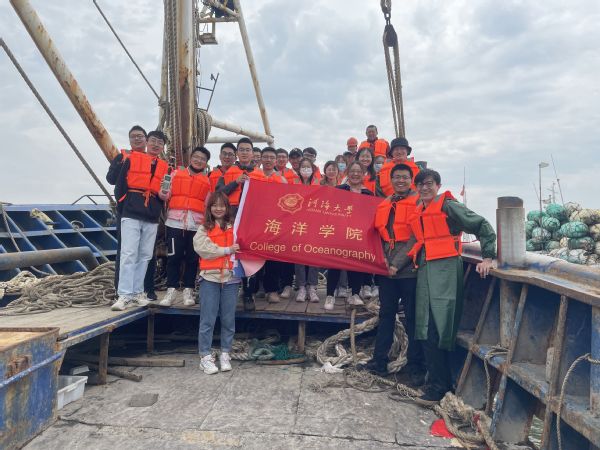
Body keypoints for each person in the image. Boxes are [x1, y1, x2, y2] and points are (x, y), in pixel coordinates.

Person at [408, 168, 496, 402]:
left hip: (445, 269)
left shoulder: (448, 206)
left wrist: (487, 257)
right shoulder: (420, 209)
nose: (424, 188)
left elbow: (482, 225)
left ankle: (440, 386)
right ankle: (436, 382)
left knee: (439, 326)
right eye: (420, 184)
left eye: (429, 183)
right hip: (426, 270)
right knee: (425, 327)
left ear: (437, 185)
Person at [359, 163, 425, 382]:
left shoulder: (418, 202)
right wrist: (383, 260)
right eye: (397, 177)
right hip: (386, 270)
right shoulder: (385, 203)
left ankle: (415, 366)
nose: (400, 181)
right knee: (386, 314)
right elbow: (378, 235)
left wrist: (396, 263)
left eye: (405, 177)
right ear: (391, 180)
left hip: (409, 271)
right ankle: (379, 361)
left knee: (412, 318)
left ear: (411, 180)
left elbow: (416, 238)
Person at [111, 130, 169, 311]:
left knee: (145, 255)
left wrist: (163, 197)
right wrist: (123, 205)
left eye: (160, 142)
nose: (156, 144)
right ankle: (124, 294)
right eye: (153, 141)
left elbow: (164, 192)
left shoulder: (165, 167)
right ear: (147, 142)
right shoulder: (131, 158)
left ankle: (137, 292)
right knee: (128, 253)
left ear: (163, 147)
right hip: (131, 211)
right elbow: (119, 185)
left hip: (152, 215)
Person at [215, 137, 266, 311]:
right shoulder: (227, 173)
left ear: (252, 153)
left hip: (251, 219)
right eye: (242, 149)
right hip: (231, 217)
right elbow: (218, 195)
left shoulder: (260, 175)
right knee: (229, 253)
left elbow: (267, 199)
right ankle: (226, 290)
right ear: (237, 153)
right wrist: (235, 182)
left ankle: (248, 293)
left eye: (247, 150)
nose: (244, 153)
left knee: (249, 255)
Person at [193, 192, 241, 374]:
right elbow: (203, 249)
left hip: (231, 278)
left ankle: (225, 353)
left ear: (227, 207)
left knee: (228, 319)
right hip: (210, 278)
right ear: (209, 208)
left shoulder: (235, 227)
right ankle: (205, 356)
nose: (218, 208)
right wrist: (227, 250)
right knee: (208, 319)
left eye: (222, 205)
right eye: (215, 205)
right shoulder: (203, 228)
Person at [159, 146, 211, 307]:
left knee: (192, 259)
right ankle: (171, 290)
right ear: (191, 158)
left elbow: (208, 205)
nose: (198, 160)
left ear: (206, 163)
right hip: (174, 222)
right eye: (196, 157)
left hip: (196, 225)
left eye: (203, 159)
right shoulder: (175, 174)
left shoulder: (207, 181)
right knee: (173, 257)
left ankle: (188, 290)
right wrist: (163, 190)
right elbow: (164, 195)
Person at [324, 161, 373, 310]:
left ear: (363, 174)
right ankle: (330, 295)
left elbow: (371, 215)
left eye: (359, 171)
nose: (355, 174)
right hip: (339, 232)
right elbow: (330, 209)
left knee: (355, 264)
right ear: (348, 173)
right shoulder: (339, 190)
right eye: (353, 171)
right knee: (335, 264)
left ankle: (355, 294)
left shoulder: (368, 194)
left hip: (358, 234)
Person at [106, 125, 147, 296]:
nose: (137, 139)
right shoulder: (121, 157)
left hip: (148, 213)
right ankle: (121, 291)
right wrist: (120, 164)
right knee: (125, 251)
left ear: (146, 139)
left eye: (140, 136)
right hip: (127, 211)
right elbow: (110, 179)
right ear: (129, 140)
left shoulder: (154, 160)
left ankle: (141, 290)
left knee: (145, 253)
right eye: (133, 136)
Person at [294, 158, 320, 303]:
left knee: (313, 255)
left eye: (308, 167)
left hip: (314, 224)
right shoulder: (293, 183)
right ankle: (302, 287)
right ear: (299, 169)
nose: (305, 169)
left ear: (312, 168)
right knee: (299, 256)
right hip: (297, 224)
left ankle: (312, 287)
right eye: (303, 167)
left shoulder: (319, 184)